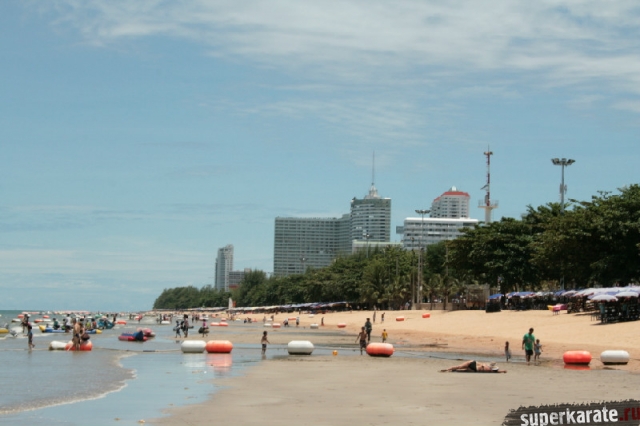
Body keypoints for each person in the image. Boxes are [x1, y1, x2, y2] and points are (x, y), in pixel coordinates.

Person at [440, 360, 506, 373]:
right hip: (473, 364)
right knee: (460, 367)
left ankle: (450, 370)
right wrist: (502, 371)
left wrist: (503, 371)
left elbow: (497, 371)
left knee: (462, 370)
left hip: (475, 369)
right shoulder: (487, 366)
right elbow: (496, 371)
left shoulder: (490, 369)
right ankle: (448, 369)